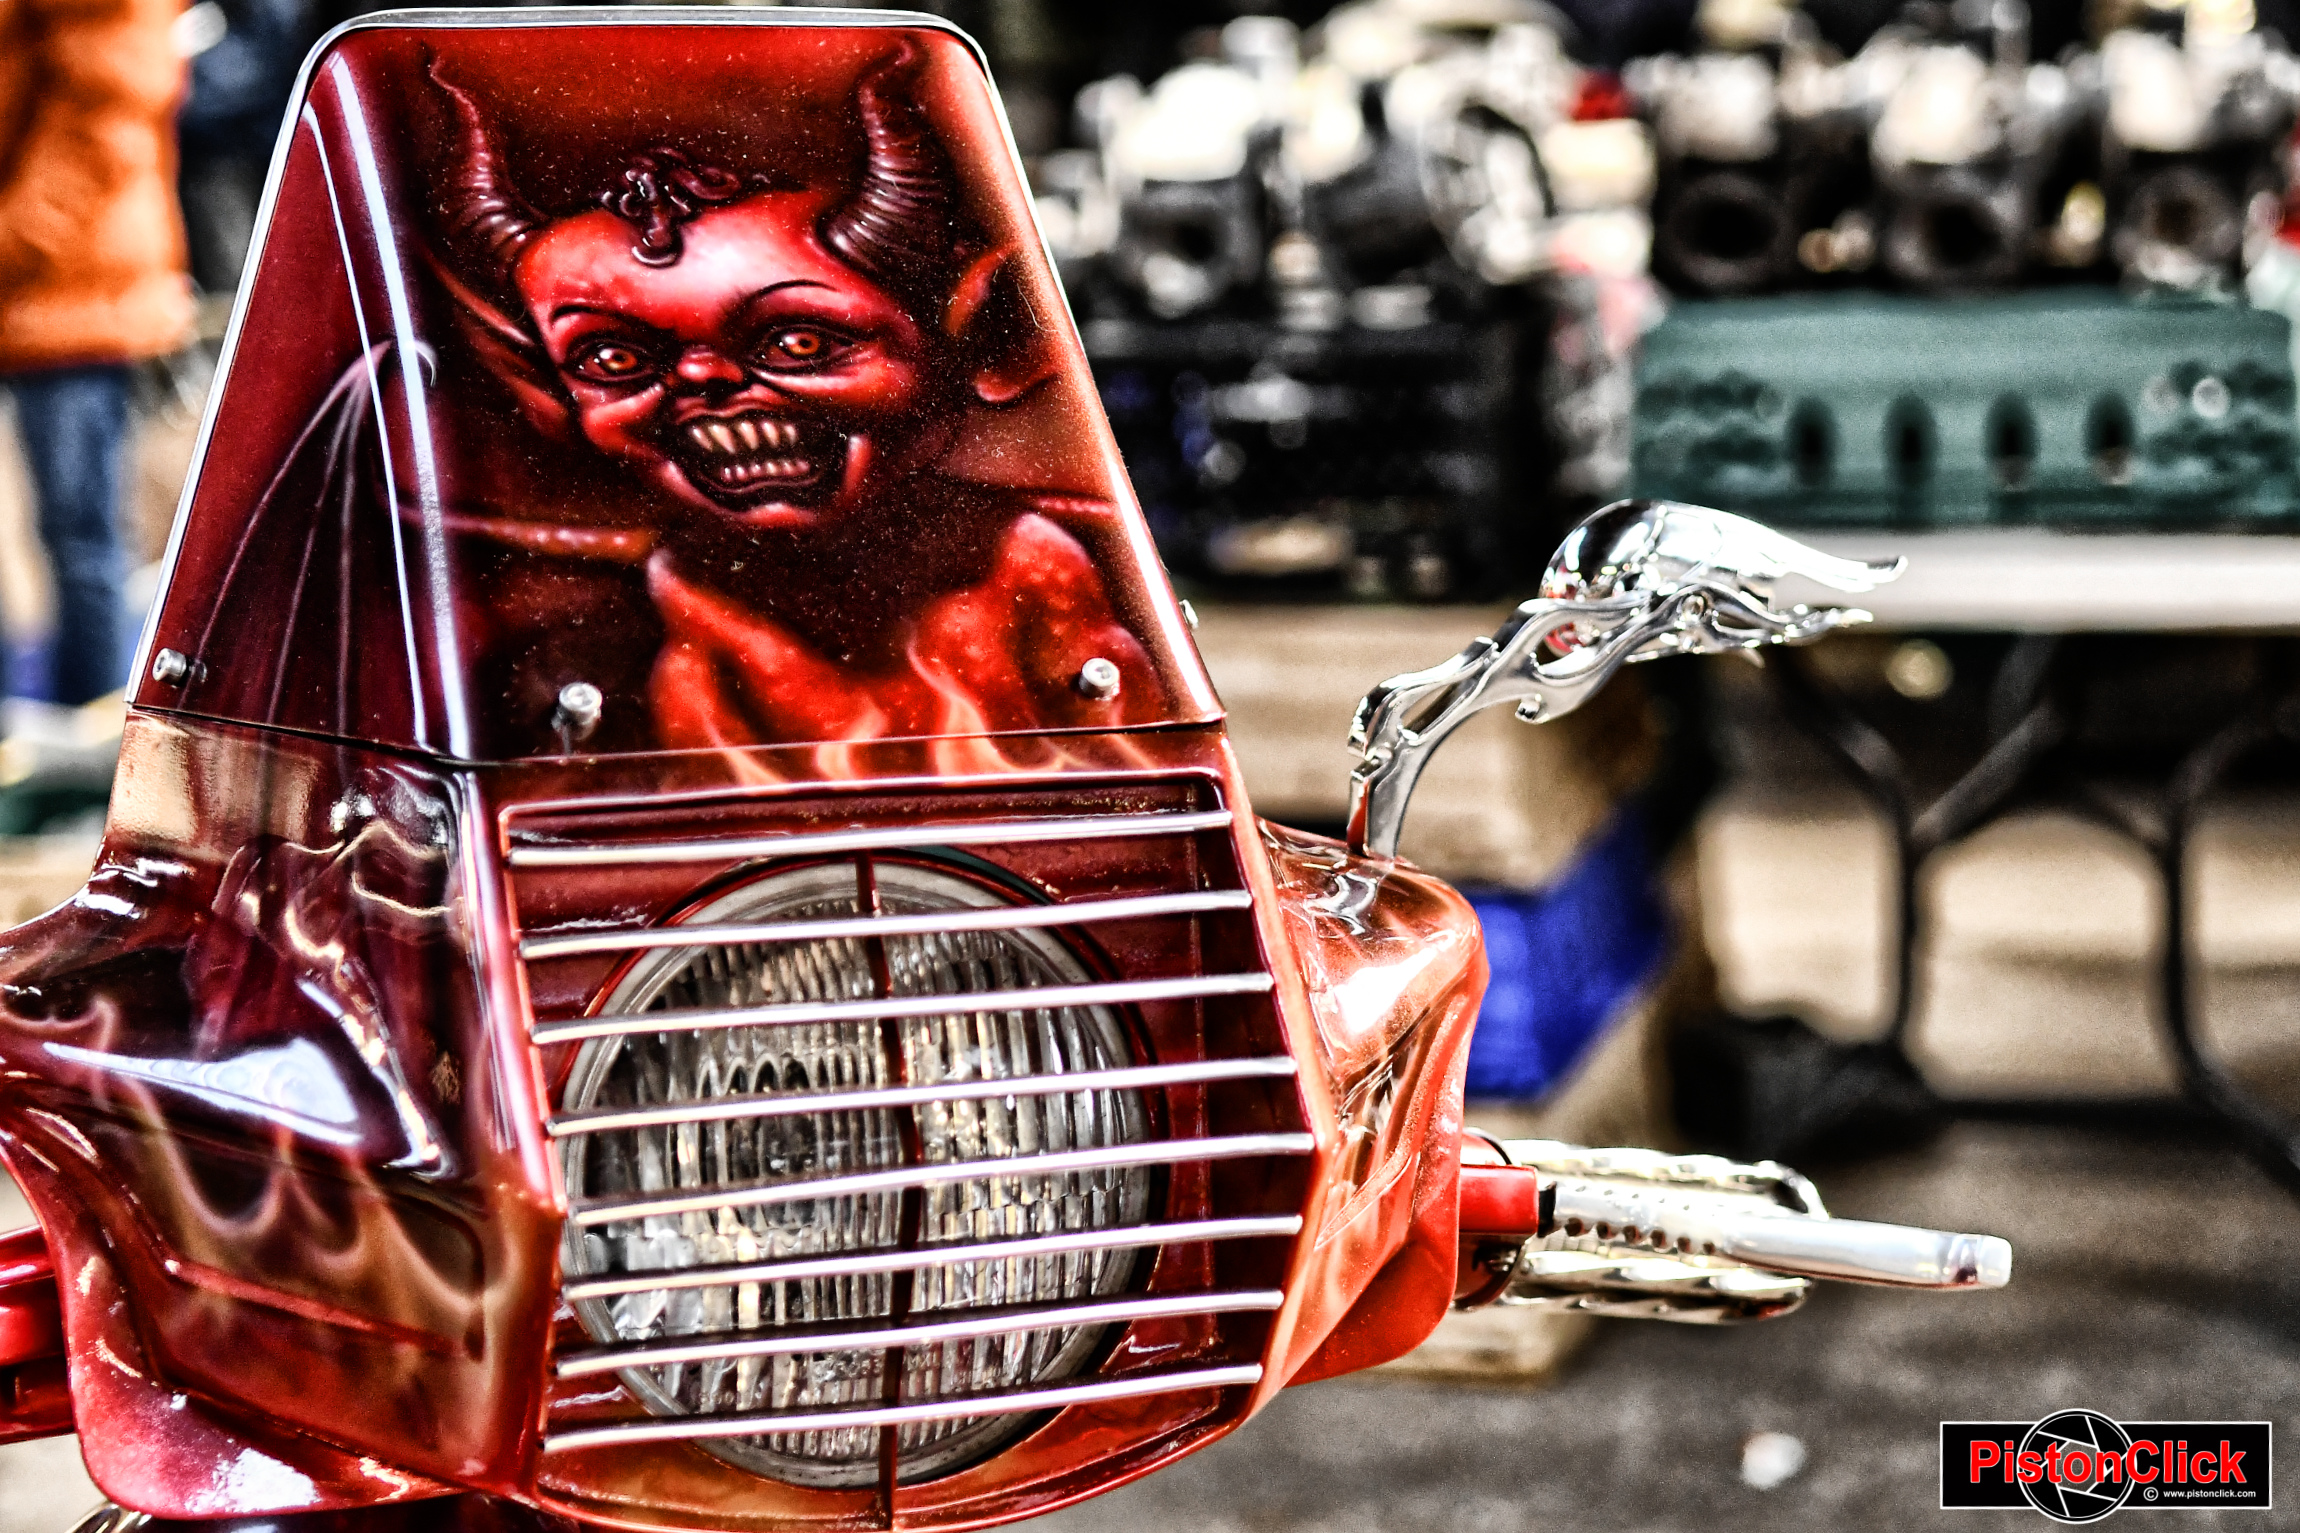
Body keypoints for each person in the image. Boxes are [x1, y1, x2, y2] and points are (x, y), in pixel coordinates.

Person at [0, 0, 195, 708]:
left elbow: (105, 117)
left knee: (82, 539)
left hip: (69, 281)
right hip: (39, 275)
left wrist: (14, 237)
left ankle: (101, 759)